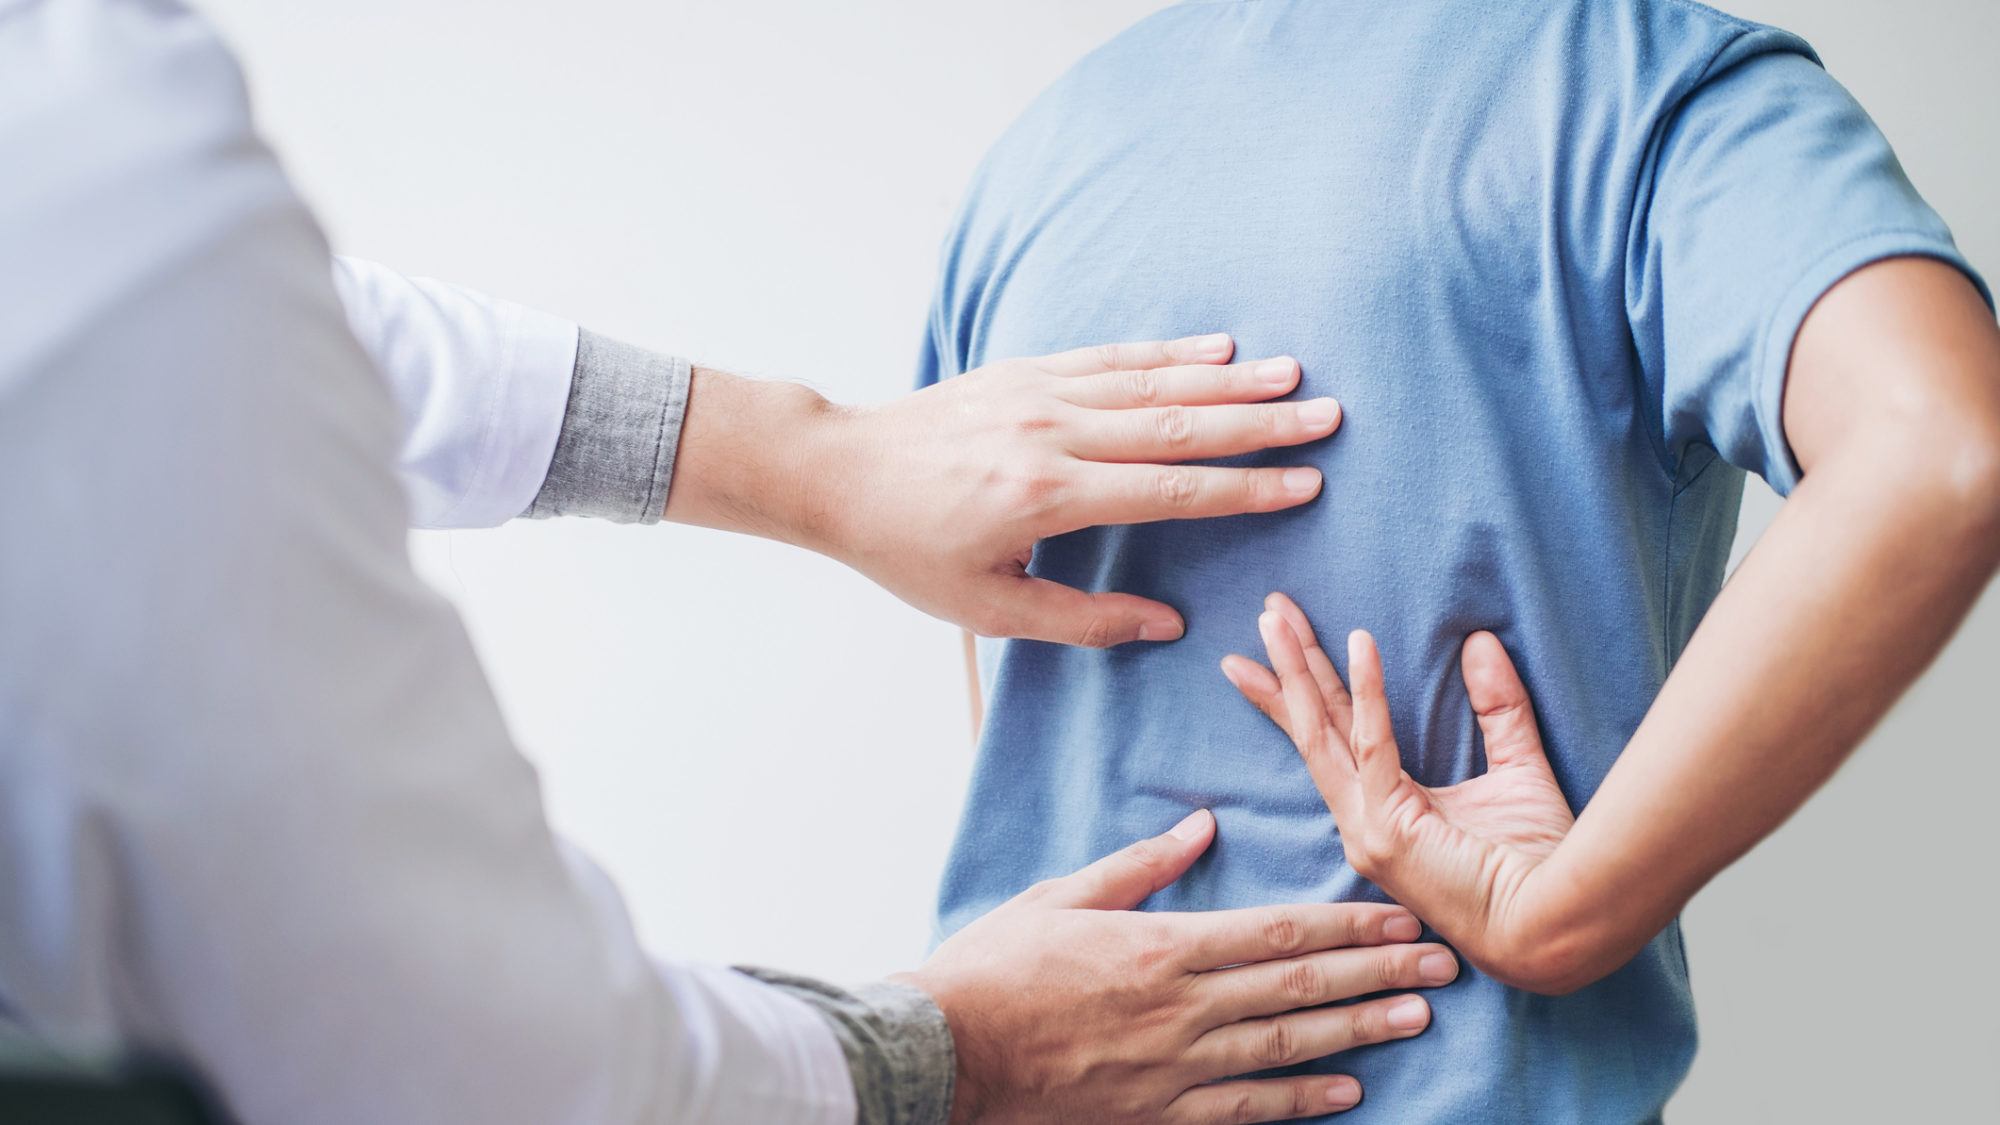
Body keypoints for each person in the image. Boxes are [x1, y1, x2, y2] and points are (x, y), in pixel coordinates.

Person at [0, 2, 1462, 1123]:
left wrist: (806, 456)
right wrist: (953, 1051)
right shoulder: (94, 163)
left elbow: (220, 321)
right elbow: (489, 1071)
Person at [919, 1, 2000, 1121]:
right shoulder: (1637, 83)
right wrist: (1558, 916)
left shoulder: (1030, 160)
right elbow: (1927, 441)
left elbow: (1000, 695)